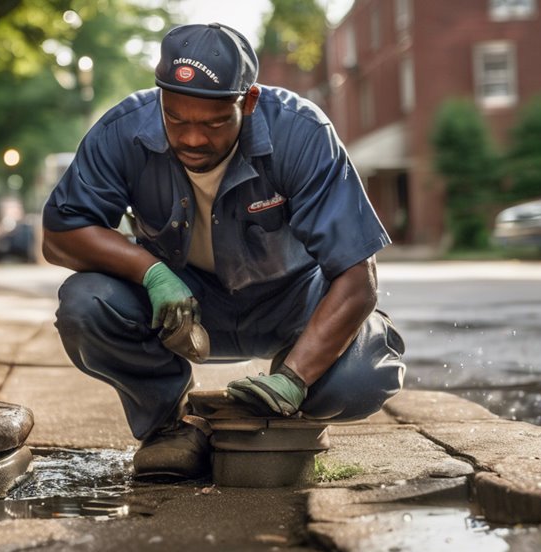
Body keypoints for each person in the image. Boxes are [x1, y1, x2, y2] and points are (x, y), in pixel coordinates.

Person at [42, 22, 406, 481]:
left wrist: (296, 377)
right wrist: (151, 272)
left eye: (214, 123)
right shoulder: (123, 131)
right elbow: (60, 233)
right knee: (84, 304)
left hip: (294, 305)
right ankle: (171, 425)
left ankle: (288, 401)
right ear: (160, 98)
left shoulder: (301, 132)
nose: (193, 139)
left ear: (248, 101)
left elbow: (358, 279)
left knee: (358, 381)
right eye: (176, 119)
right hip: (181, 308)